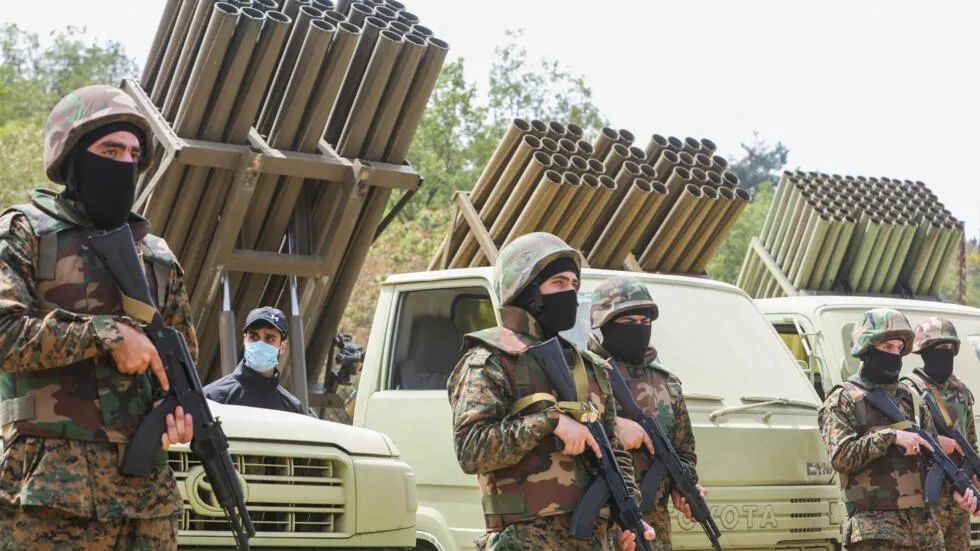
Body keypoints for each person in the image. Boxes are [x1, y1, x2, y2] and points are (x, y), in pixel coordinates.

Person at [0, 84, 195, 549]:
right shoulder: (25, 232)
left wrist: (177, 413)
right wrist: (108, 334)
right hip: (46, 492)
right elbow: (4, 335)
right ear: (72, 157)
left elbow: (182, 365)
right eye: (110, 150)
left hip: (145, 499)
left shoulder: (156, 256)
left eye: (133, 154)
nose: (124, 163)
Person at [447, 232, 655, 551]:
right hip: (524, 541)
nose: (569, 292)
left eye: (574, 284)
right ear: (526, 291)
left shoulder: (590, 367)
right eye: (558, 282)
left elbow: (614, 452)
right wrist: (550, 422)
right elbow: (471, 449)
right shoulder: (490, 360)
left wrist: (628, 519)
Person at [817, 308, 977, 551]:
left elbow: (932, 460)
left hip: (925, 533)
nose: (894, 354)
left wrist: (957, 493)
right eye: (887, 347)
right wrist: (891, 437)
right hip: (875, 532)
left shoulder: (912, 400)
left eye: (898, 348)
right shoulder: (843, 400)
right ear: (866, 348)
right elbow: (841, 457)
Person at [589, 276, 704, 551]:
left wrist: (683, 485)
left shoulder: (667, 383)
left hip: (655, 530)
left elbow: (684, 452)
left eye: (645, 322)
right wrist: (613, 427)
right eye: (629, 322)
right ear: (604, 323)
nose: (638, 330)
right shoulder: (583, 375)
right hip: (599, 525)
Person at [902, 317, 977, 551]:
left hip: (958, 498)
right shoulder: (909, 390)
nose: (945, 353)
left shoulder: (960, 391)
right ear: (924, 351)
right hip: (924, 501)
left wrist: (974, 479)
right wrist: (936, 442)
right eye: (938, 347)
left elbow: (970, 441)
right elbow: (903, 436)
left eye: (949, 347)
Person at [204, 306, 314, 416]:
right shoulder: (212, 398)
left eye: (270, 338)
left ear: (282, 346)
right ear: (245, 339)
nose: (260, 344)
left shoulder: (292, 409)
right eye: (254, 337)